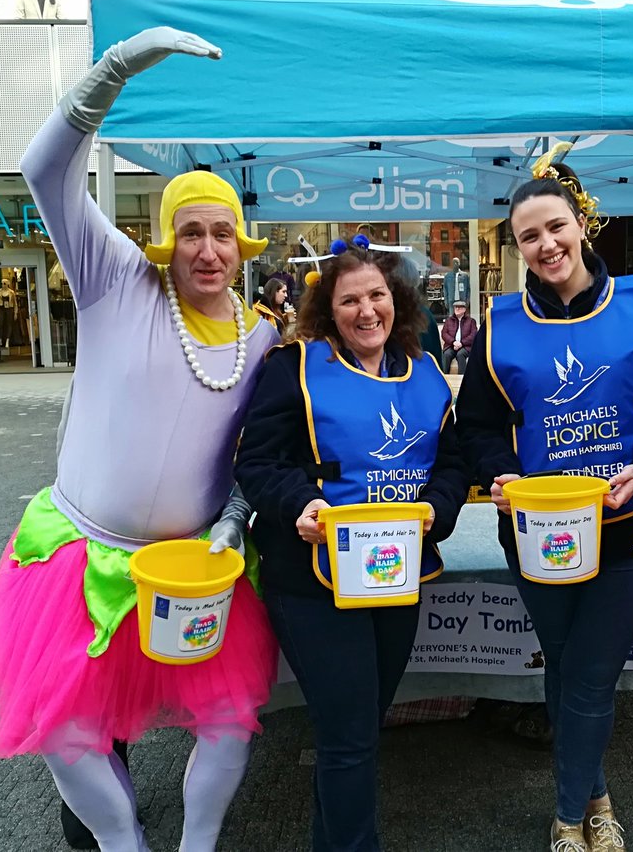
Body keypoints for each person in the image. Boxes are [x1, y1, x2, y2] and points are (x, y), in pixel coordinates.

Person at [0, 27, 283, 852]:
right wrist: (114, 71)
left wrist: (234, 519)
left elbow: (257, 451)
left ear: (242, 245)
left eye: (224, 233)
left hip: (191, 569)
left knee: (230, 725)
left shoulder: (264, 337)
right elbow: (43, 169)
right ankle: (121, 842)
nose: (209, 248)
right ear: (168, 238)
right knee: (63, 727)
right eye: (192, 231)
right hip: (79, 562)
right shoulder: (115, 281)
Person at [454, 150, 633, 852]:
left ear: (581, 226)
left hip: (628, 530)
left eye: (555, 227)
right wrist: (498, 473)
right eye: (528, 236)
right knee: (564, 667)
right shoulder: (500, 325)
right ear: (517, 247)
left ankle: (568, 816)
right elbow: (475, 424)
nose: (546, 245)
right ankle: (595, 794)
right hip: (537, 534)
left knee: (590, 674)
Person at [235, 235, 470, 851]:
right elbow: (256, 461)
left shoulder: (423, 368)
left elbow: (452, 462)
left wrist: (438, 509)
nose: (367, 312)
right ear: (326, 310)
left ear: (398, 300)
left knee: (360, 728)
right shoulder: (293, 367)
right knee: (348, 736)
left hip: (397, 573)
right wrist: (299, 504)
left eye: (378, 296)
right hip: (313, 581)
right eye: (350, 301)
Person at [440, 298, 476, 375]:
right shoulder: (449, 320)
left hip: (465, 347)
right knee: (446, 354)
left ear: (464, 309)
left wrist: (461, 343)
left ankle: (462, 379)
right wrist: (453, 342)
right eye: (455, 307)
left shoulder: (471, 321)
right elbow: (444, 333)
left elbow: (473, 335)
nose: (457, 308)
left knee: (460, 354)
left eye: (459, 307)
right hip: (451, 345)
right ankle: (444, 377)